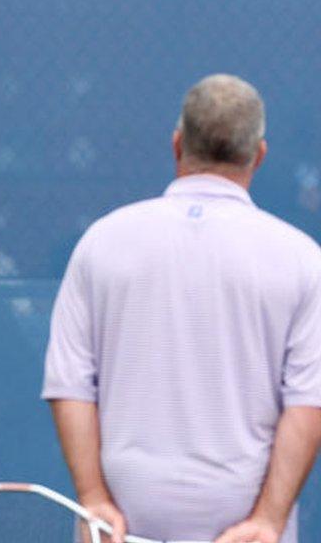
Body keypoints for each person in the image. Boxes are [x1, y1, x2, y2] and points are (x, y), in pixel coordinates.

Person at [42, 74, 321, 543]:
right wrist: (268, 521)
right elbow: (308, 402)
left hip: (120, 528)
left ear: (176, 144)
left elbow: (69, 383)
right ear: (259, 155)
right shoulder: (302, 259)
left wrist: (93, 499)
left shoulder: (102, 242)